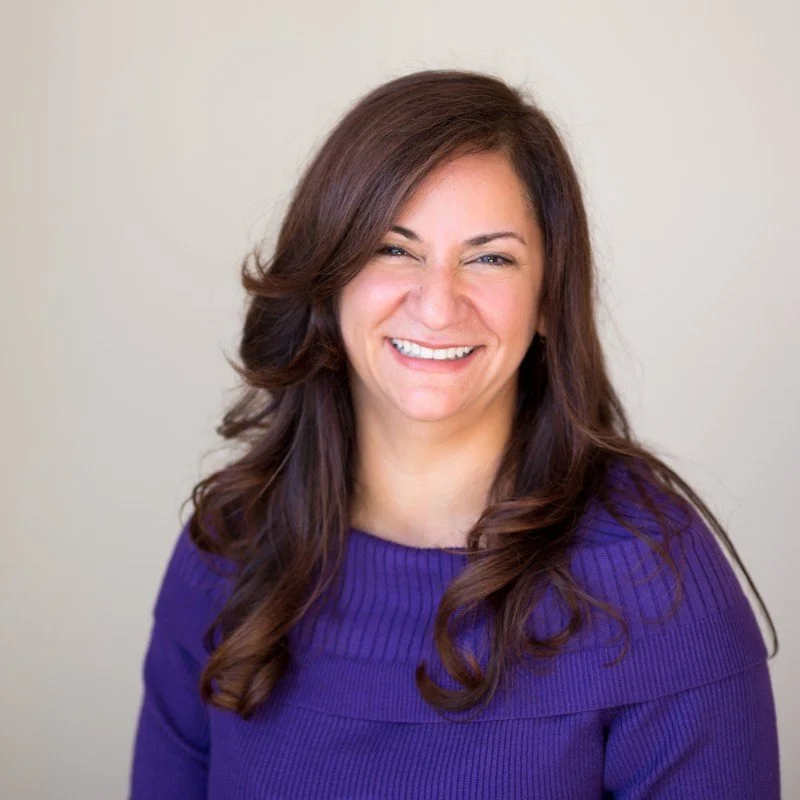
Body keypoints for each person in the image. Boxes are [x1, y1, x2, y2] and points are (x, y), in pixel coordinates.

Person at [129, 69, 781, 798]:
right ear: (329, 277)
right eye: (393, 248)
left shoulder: (657, 583)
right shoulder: (229, 545)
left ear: (546, 299)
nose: (438, 306)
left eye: (490, 257)